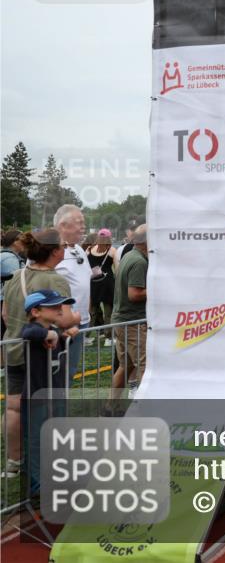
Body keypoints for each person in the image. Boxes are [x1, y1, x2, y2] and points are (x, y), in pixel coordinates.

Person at [0, 228, 76, 479]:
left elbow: (5, 314)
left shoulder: (16, 275)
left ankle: (13, 462)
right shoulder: (56, 280)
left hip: (13, 347)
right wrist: (77, 319)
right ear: (54, 252)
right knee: (45, 407)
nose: (66, 249)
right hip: (42, 354)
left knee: (13, 408)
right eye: (63, 246)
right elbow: (64, 319)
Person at [19, 289, 79, 494]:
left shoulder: (53, 329)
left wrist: (66, 336)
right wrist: (49, 334)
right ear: (35, 312)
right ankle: (37, 487)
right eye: (53, 306)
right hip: (36, 397)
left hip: (54, 396)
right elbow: (27, 333)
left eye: (60, 305)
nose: (60, 309)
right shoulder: (34, 330)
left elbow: (59, 348)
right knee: (36, 442)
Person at [53, 204, 92, 382]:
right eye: (79, 222)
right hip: (59, 326)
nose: (84, 227)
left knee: (69, 371)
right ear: (63, 225)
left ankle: (62, 401)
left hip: (81, 322)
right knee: (56, 373)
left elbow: (85, 282)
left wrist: (86, 314)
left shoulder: (79, 249)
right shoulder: (48, 250)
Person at [110, 224, 148, 392]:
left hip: (122, 320)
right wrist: (158, 289)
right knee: (144, 366)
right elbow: (134, 294)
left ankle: (111, 404)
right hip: (133, 323)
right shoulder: (139, 261)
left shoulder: (129, 255)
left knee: (126, 366)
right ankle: (143, 406)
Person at [88, 229, 117, 335]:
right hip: (107, 283)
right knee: (108, 311)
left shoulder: (89, 249)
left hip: (93, 283)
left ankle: (87, 334)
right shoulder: (112, 250)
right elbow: (117, 268)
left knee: (93, 310)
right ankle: (108, 335)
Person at [1, 229, 25, 337]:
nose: (25, 242)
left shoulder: (4, 255)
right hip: (5, 302)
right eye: (22, 240)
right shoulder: (10, 259)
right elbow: (14, 284)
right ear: (15, 242)